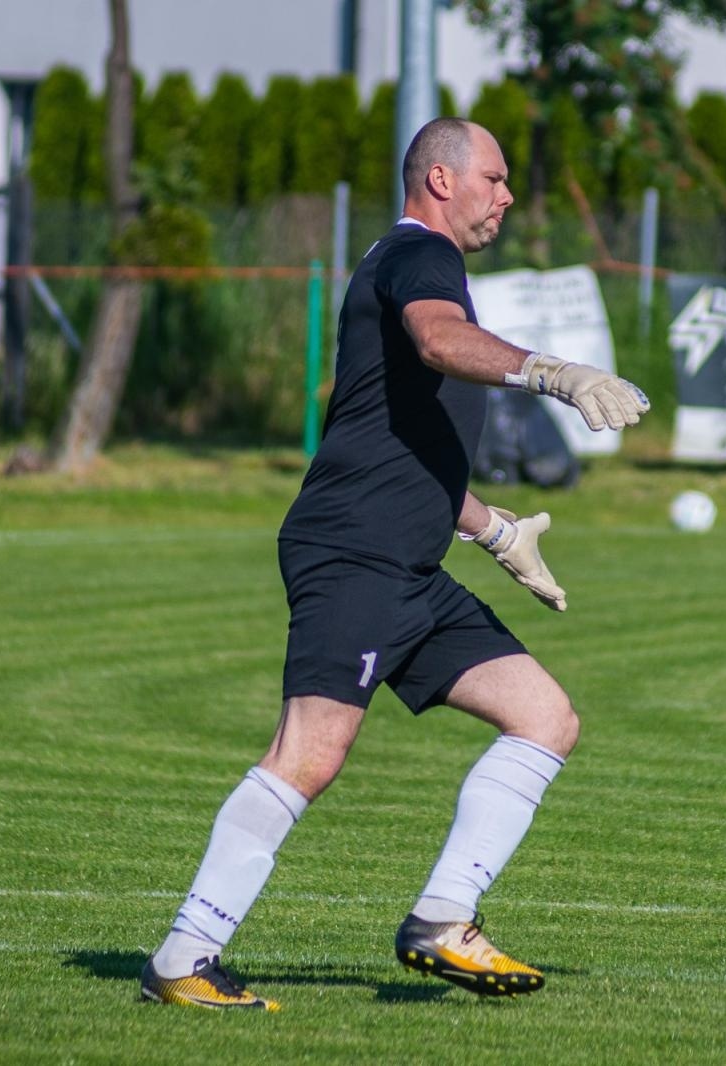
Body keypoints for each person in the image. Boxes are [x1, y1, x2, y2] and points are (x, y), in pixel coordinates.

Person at [139, 118, 649, 1011]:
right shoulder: (422, 256)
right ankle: (184, 957)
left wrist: (494, 532)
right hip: (357, 552)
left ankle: (443, 921)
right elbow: (439, 342)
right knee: (310, 752)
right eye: (493, 177)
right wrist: (556, 374)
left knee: (544, 716)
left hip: (408, 562)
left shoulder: (405, 263)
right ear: (441, 180)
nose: (507, 194)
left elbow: (400, 440)